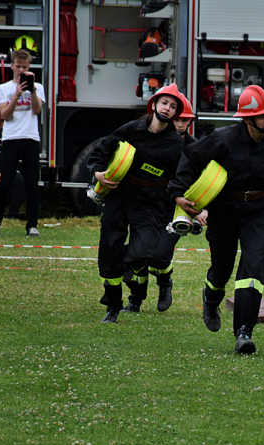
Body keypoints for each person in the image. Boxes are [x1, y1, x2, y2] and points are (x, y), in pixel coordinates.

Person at [169, 85, 264, 355]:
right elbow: (191, 157)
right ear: (247, 119)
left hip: (258, 212)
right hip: (224, 211)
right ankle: (211, 297)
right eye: (263, 116)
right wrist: (179, 193)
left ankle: (244, 332)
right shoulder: (222, 139)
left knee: (253, 268)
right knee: (222, 268)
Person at [86, 83, 184, 323]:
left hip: (151, 202)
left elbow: (183, 178)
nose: (167, 109)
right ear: (154, 104)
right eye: (164, 103)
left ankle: (130, 279)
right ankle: (112, 306)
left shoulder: (176, 144)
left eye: (173, 107)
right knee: (110, 250)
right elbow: (101, 151)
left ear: (175, 113)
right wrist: (98, 174)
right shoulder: (131, 129)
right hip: (120, 195)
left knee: (143, 253)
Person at [132, 93, 205, 313]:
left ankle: (165, 284)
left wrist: (203, 210)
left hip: (178, 211)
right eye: (177, 119)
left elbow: (206, 181)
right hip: (148, 206)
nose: (180, 124)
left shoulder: (198, 149)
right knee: (138, 254)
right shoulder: (153, 142)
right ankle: (135, 299)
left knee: (160, 255)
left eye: (185, 119)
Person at [0, 49, 45, 237]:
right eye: (18, 66)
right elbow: (4, 115)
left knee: (31, 184)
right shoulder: (3, 88)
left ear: (30, 67)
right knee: (5, 182)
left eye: (25, 67)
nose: (21, 70)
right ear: (12, 66)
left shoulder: (38, 87)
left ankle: (32, 225)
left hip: (31, 138)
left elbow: (36, 111)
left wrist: (32, 90)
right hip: (12, 138)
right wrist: (16, 95)